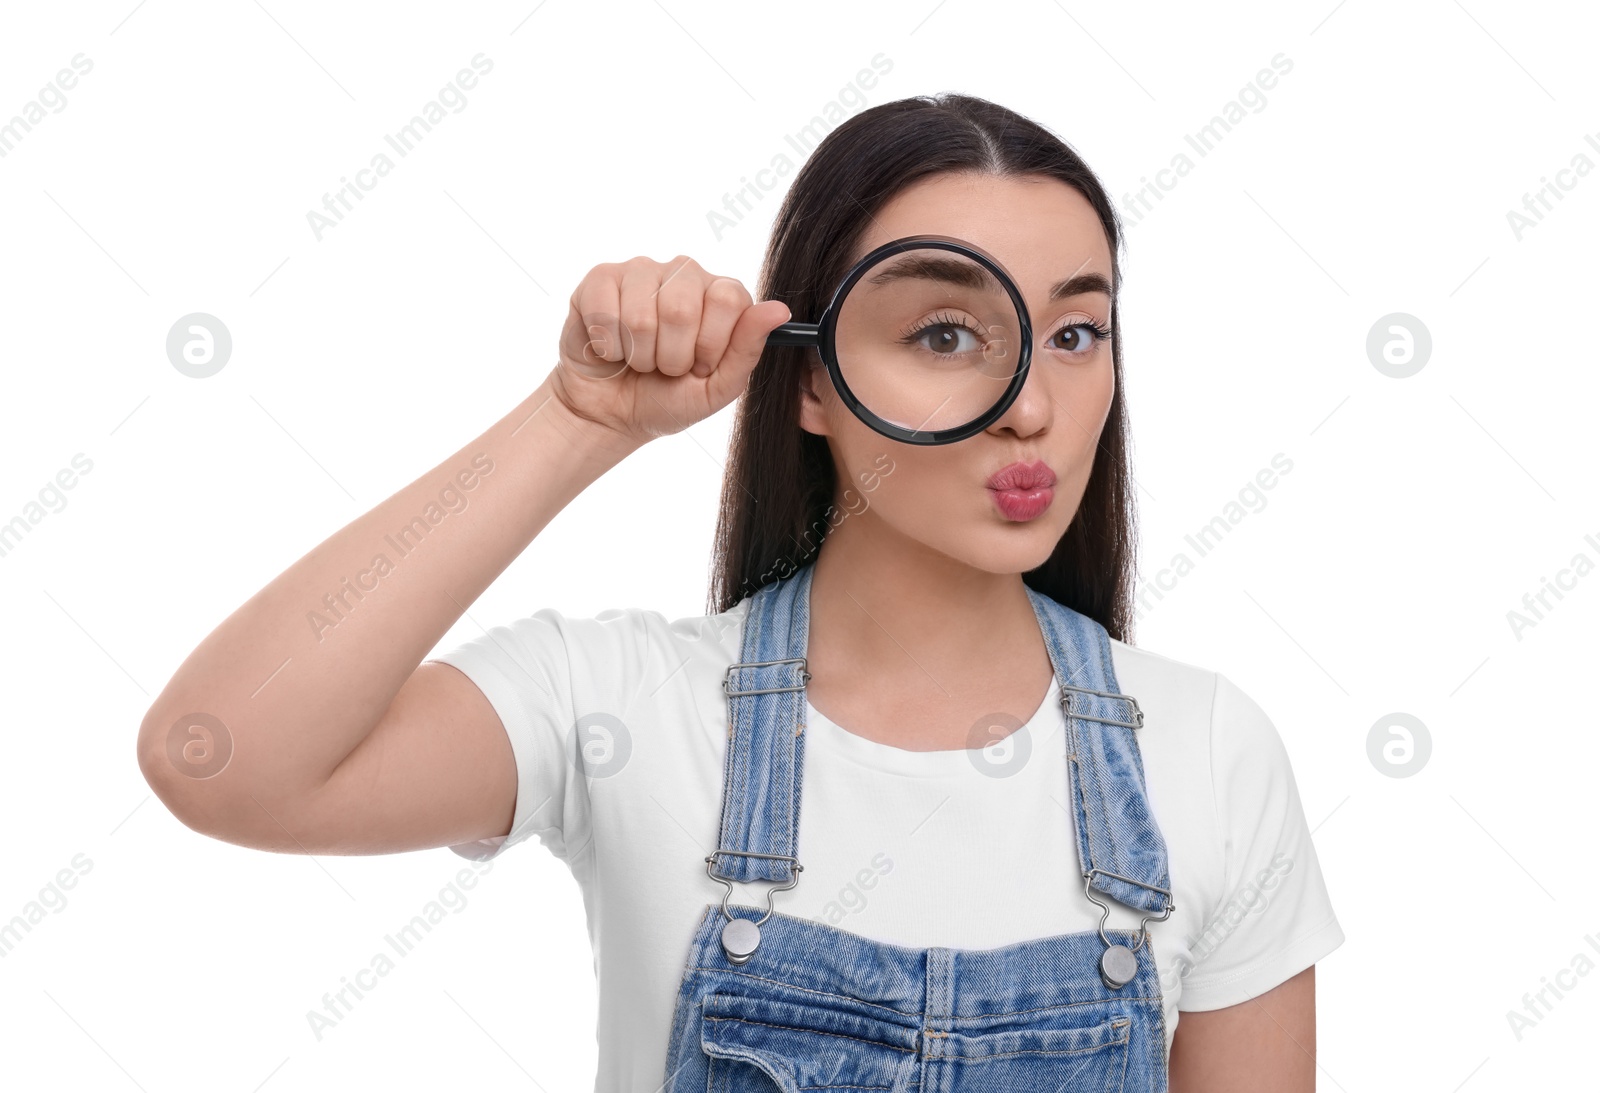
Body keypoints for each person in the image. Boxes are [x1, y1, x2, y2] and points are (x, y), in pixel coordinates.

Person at [138, 92, 1344, 1091]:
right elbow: (223, 757)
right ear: (808, 381)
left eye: (1074, 335)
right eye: (943, 334)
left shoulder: (1208, 752)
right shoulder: (623, 705)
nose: (1030, 405)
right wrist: (575, 421)